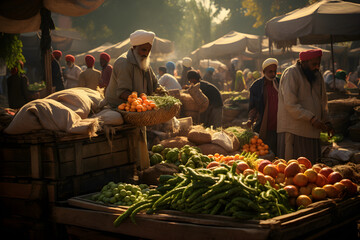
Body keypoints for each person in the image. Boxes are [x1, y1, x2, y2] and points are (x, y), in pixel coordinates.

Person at [277, 49, 334, 163]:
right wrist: (311, 118)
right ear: (303, 62)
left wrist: (327, 121)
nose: (316, 67)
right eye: (314, 64)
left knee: (312, 171)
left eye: (318, 64)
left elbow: (323, 101)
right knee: (294, 170)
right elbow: (290, 104)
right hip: (294, 130)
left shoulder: (317, 75)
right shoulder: (291, 73)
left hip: (312, 131)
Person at [105, 29, 159, 107]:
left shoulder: (144, 61)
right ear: (134, 47)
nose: (146, 53)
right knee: (116, 118)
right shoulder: (123, 63)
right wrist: (142, 102)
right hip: (117, 106)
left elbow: (155, 84)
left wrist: (163, 93)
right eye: (143, 50)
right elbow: (123, 93)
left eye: (148, 50)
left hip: (140, 105)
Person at [246, 58, 280, 155]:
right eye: (270, 72)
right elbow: (253, 106)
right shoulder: (256, 86)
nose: (273, 74)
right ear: (264, 71)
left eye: (275, 71)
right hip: (265, 126)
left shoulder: (279, 83)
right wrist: (250, 119)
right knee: (266, 151)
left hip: (280, 126)